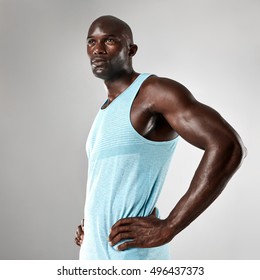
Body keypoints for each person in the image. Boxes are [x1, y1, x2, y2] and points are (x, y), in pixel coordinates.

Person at [74, 15, 246, 260]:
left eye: (109, 41)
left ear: (131, 50)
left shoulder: (154, 92)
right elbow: (110, 184)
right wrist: (93, 225)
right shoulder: (105, 110)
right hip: (93, 257)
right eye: (91, 42)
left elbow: (227, 146)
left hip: (131, 256)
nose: (98, 50)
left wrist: (170, 226)